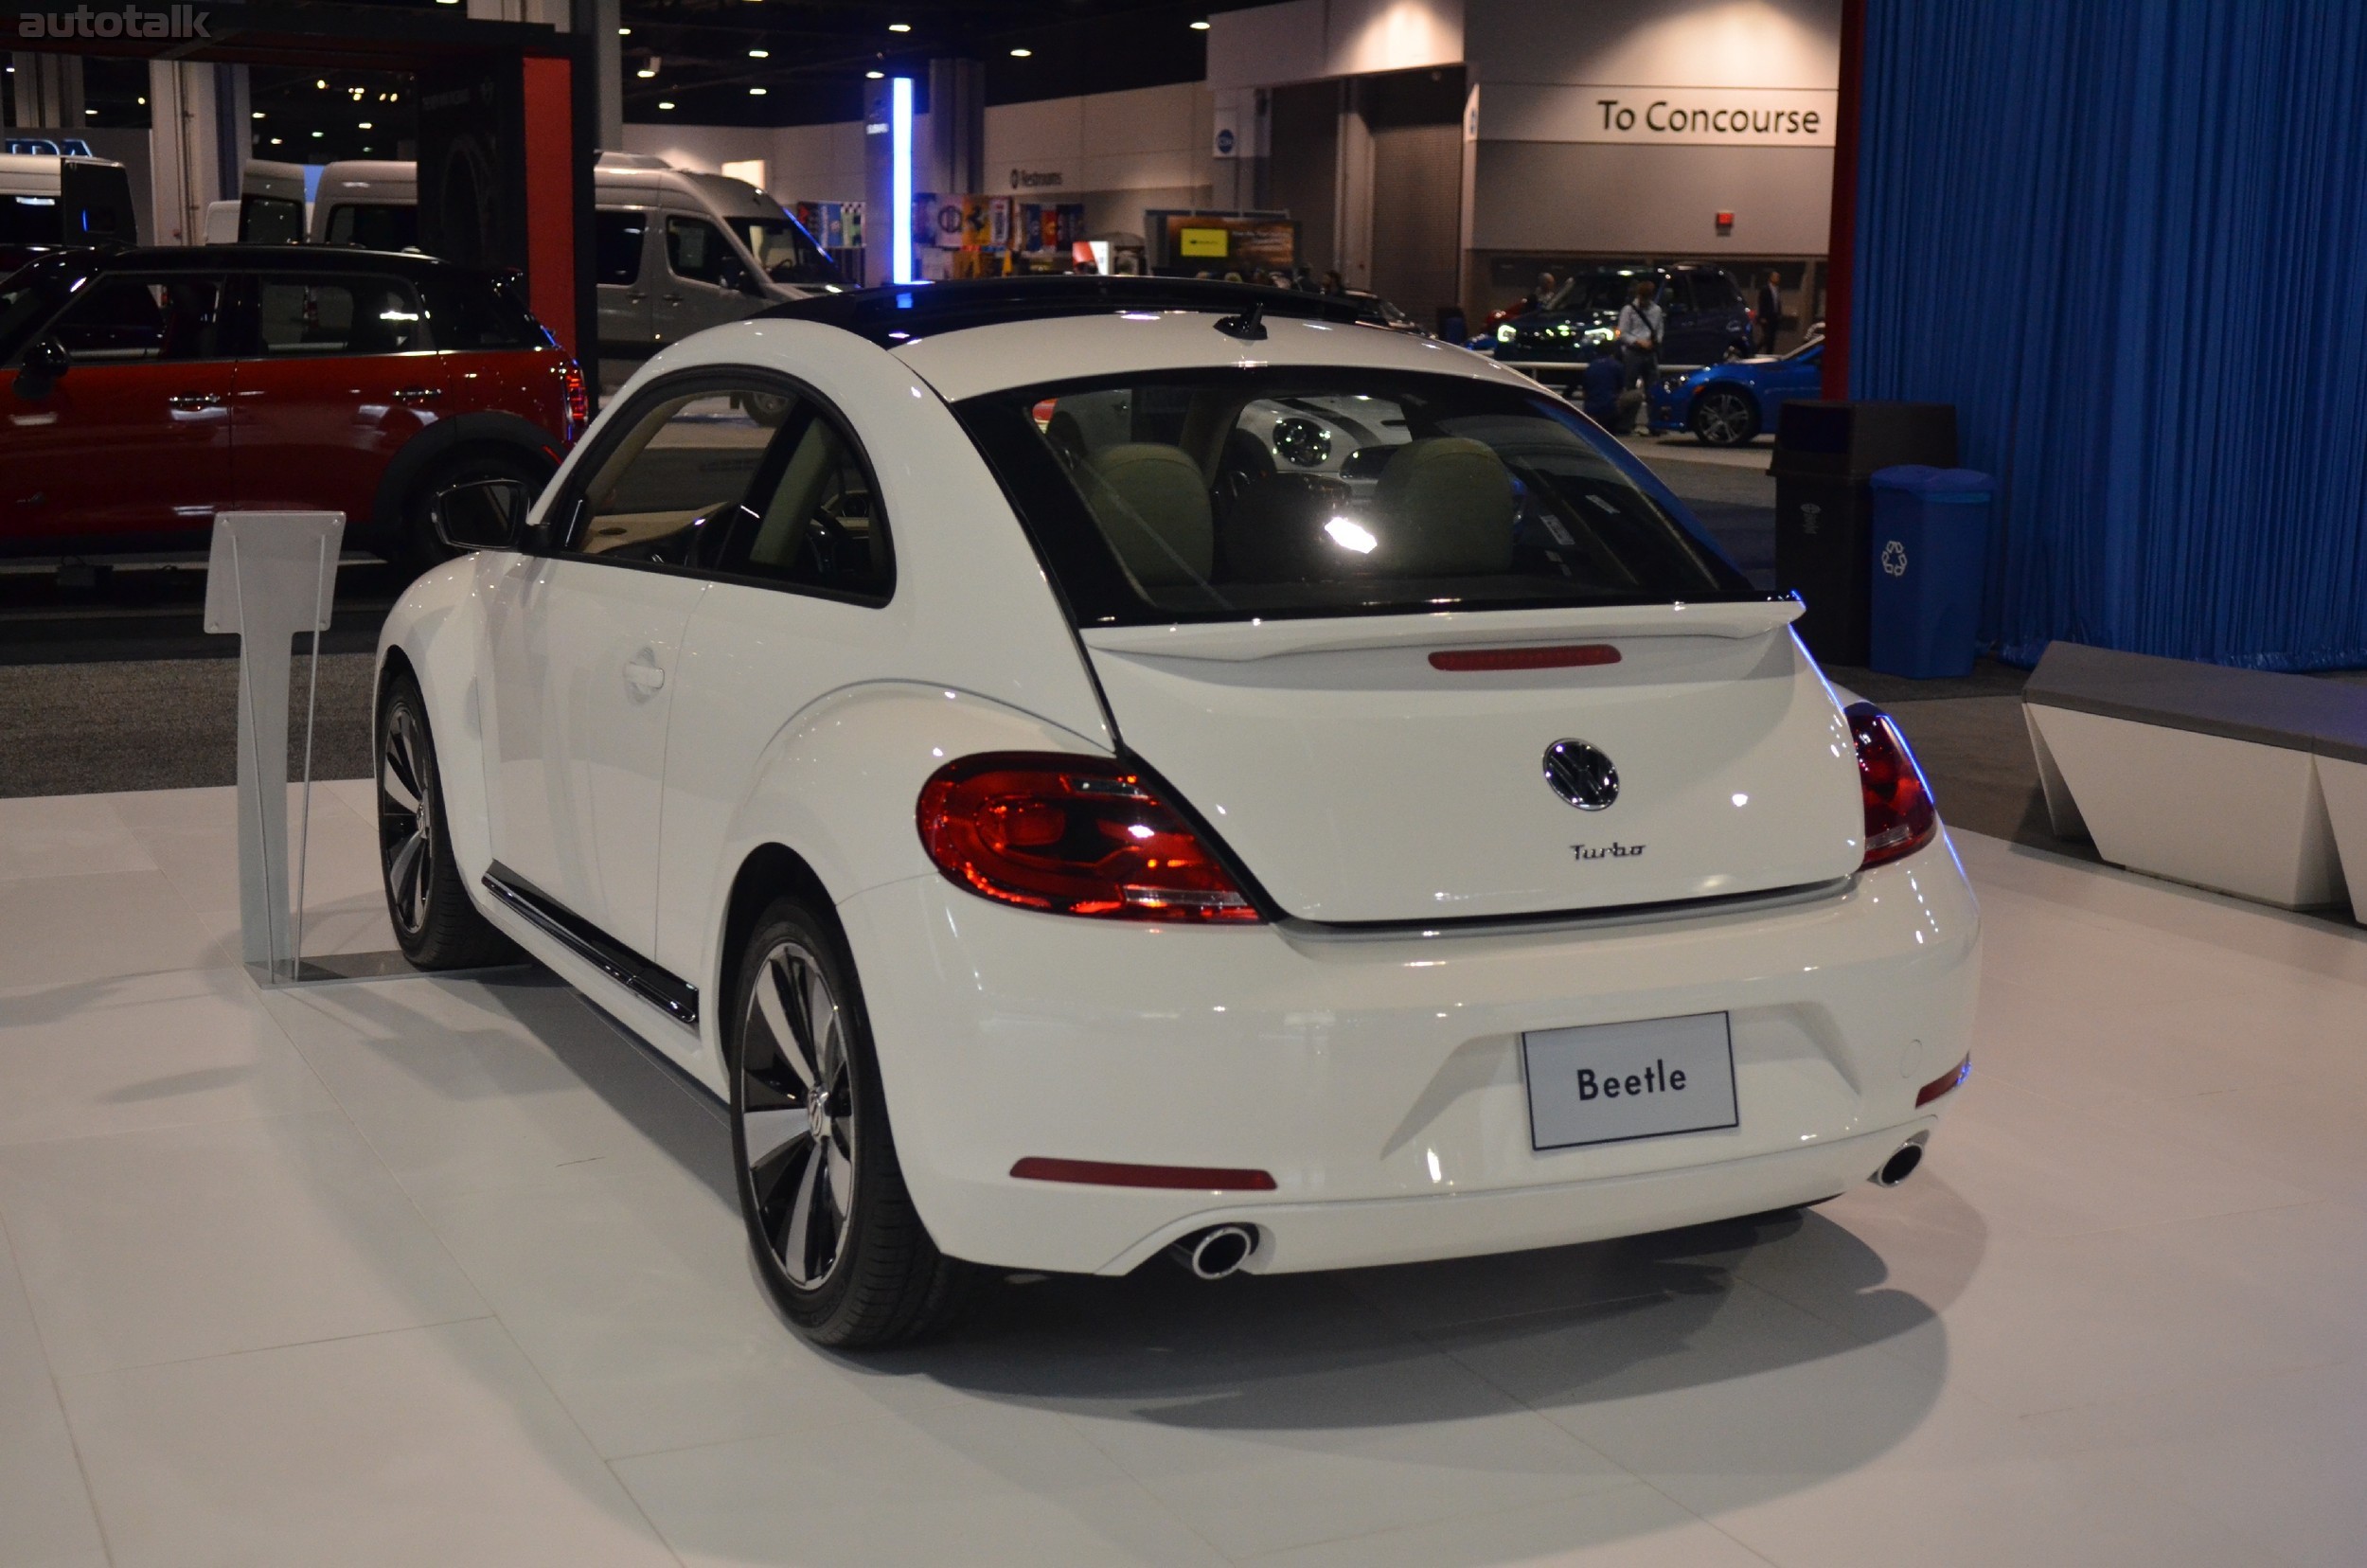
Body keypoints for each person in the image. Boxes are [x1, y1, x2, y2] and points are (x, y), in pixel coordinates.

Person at [1615, 277, 1664, 391]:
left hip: (1650, 352)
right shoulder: (1628, 310)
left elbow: (1660, 329)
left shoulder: (1657, 310)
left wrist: (1656, 341)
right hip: (1633, 352)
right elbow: (1622, 333)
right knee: (1629, 385)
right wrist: (1638, 341)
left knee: (1653, 387)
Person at [1579, 342, 1625, 432]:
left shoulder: (1591, 366)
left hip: (1591, 407)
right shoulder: (1617, 365)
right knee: (1636, 396)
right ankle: (1625, 426)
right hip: (1610, 407)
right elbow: (1621, 387)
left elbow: (1585, 389)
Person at [1755, 269, 1783, 354]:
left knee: (1772, 338)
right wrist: (1762, 316)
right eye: (1776, 277)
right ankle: (1755, 349)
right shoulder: (1765, 289)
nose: (1777, 279)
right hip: (1766, 317)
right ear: (1771, 278)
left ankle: (1769, 353)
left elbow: (1777, 302)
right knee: (1767, 336)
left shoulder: (1777, 289)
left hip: (1774, 316)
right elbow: (1761, 303)